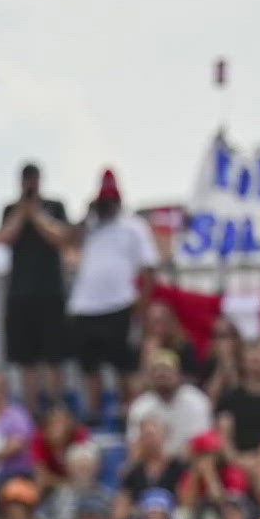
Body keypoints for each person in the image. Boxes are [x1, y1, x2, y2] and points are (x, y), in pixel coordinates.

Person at [65, 169, 156, 417]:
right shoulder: (90, 227)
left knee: (124, 368)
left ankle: (128, 414)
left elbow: (149, 269)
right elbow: (67, 243)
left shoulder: (135, 227)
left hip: (120, 304)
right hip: (84, 307)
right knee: (89, 368)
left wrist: (142, 306)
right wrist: (87, 215)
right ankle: (94, 414)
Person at [0, 161, 73, 407]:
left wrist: (36, 214)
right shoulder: (11, 209)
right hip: (20, 295)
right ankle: (31, 410)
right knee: (25, 360)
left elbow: (61, 238)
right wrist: (22, 212)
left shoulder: (55, 206)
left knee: (54, 358)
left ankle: (56, 410)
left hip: (51, 293)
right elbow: (4, 237)